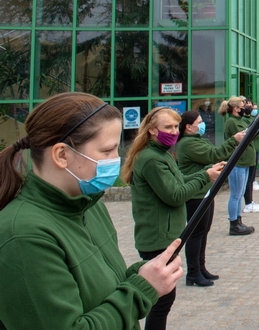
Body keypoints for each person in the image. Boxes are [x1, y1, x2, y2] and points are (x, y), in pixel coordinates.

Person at [0, 93, 183, 330]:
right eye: (107, 151)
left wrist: (144, 274)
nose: (116, 160)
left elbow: (101, 293)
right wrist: (141, 290)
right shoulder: (23, 236)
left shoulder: (89, 205)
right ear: (62, 154)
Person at [122, 107, 225, 330]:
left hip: (165, 236)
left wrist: (206, 172)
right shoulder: (152, 159)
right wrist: (205, 176)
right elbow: (175, 195)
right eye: (168, 127)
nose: (174, 131)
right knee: (161, 303)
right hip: (158, 238)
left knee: (163, 302)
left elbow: (177, 181)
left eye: (175, 126)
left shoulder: (161, 154)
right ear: (151, 131)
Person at [175, 111, 246, 287]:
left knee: (203, 231)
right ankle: (193, 273)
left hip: (204, 192)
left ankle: (201, 268)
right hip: (195, 194)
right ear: (188, 127)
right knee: (196, 233)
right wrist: (233, 140)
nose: (202, 124)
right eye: (198, 122)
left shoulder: (196, 140)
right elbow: (214, 154)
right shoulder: (189, 144)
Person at [220, 97, 257, 234]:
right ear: (236, 109)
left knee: (240, 193)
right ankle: (234, 223)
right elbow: (247, 135)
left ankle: (238, 220)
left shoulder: (239, 120)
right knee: (235, 194)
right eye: (243, 105)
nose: (246, 107)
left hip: (245, 161)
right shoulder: (232, 122)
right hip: (238, 162)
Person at [243, 100, 259, 211]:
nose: (252, 109)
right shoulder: (240, 121)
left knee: (250, 177)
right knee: (247, 179)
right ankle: (248, 204)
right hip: (248, 152)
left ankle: (249, 202)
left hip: (254, 148)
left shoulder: (250, 119)